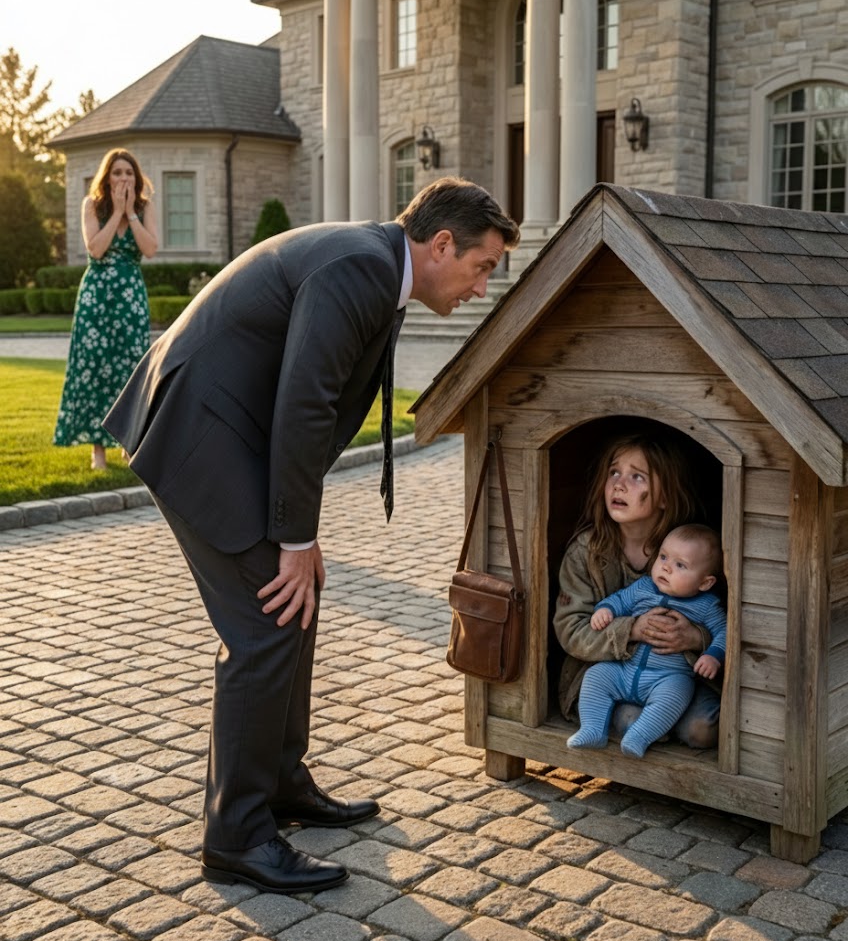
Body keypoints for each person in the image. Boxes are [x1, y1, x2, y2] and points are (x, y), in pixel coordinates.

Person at [103, 176, 519, 896]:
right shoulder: (360, 267)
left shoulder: (377, 267)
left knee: (298, 600)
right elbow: (305, 399)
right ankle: (236, 835)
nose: (482, 287)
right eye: (483, 266)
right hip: (199, 431)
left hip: (230, 431)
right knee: (266, 626)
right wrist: (292, 537)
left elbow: (311, 405)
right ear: (442, 244)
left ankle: (282, 785)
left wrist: (298, 533)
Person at [553, 431, 722, 751]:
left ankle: (660, 724)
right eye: (614, 472)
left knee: (703, 729)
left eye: (637, 477)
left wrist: (695, 638)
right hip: (608, 674)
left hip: (676, 677)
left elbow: (723, 620)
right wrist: (631, 629)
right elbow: (570, 629)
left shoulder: (690, 551)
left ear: (664, 497)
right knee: (628, 717)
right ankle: (635, 729)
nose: (619, 483)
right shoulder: (585, 552)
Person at [568, 523, 726, 758]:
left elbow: (724, 632)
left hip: (667, 678)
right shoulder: (644, 587)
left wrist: (713, 655)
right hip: (626, 669)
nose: (666, 568)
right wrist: (605, 610)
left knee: (679, 691)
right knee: (596, 676)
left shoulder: (707, 606)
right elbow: (619, 600)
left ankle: (638, 737)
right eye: (663, 557)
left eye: (680, 565)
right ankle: (592, 729)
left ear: (705, 583)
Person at [54, 148, 158, 470]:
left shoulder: (144, 207)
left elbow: (150, 249)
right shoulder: (92, 205)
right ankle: (97, 449)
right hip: (96, 297)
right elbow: (96, 249)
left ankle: (128, 443)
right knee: (94, 368)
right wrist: (115, 212)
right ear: (107, 177)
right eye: (117, 172)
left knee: (131, 366)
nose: (123, 178)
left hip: (130, 299)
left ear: (136, 178)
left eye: (129, 172)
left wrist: (131, 214)